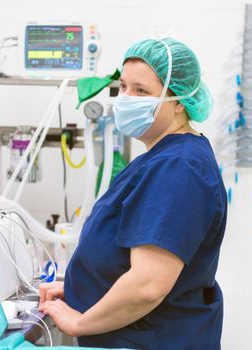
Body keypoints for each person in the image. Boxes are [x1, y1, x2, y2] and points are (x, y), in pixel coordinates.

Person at [38, 37, 227, 349]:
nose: (126, 99)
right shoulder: (166, 156)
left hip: (148, 339)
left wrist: (78, 322)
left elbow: (147, 286)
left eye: (142, 91)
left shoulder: (178, 168)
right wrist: (79, 289)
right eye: (123, 87)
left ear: (179, 100)